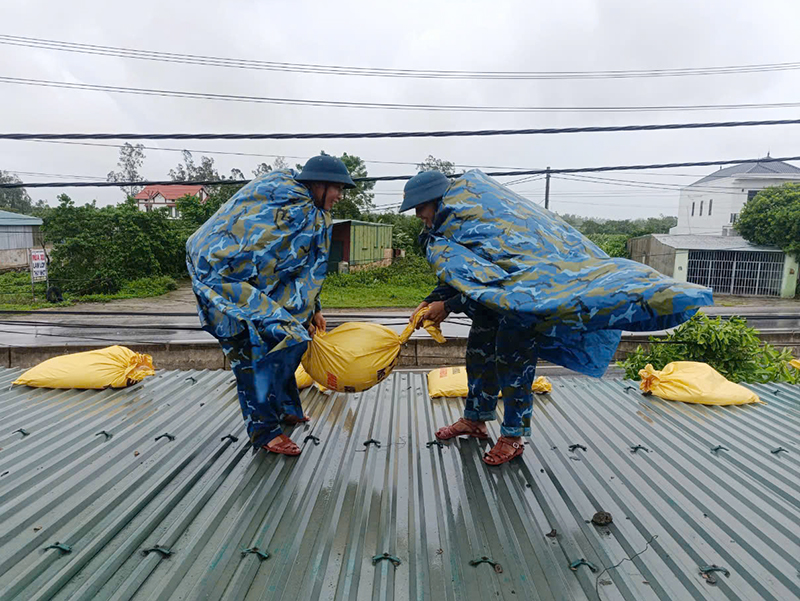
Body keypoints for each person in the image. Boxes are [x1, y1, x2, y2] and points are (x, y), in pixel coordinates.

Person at [402, 169, 712, 466]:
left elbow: (499, 277)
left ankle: (513, 436)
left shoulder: (481, 219)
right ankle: (475, 419)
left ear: (440, 200)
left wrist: (449, 306)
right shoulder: (448, 231)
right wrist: (431, 300)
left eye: (421, 208)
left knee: (513, 365)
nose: (420, 216)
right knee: (479, 358)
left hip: (522, 305)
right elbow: (463, 274)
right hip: (489, 309)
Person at [186, 155, 355, 456]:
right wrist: (289, 312)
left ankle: (287, 407)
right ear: (319, 184)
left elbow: (302, 268)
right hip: (221, 273)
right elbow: (263, 258)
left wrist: (313, 307)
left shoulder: (309, 210)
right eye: (337, 188)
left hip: (248, 279)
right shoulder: (289, 206)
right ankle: (264, 431)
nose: (340, 196)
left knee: (289, 336)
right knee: (253, 350)